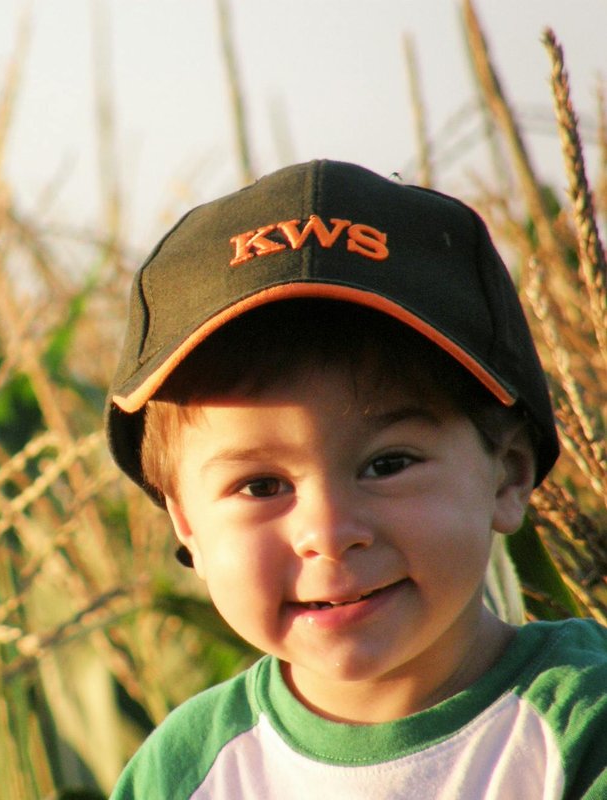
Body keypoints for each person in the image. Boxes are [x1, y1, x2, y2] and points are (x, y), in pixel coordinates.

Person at [105, 160, 607, 798]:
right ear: (186, 524)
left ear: (507, 476)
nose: (330, 534)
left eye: (388, 464)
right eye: (261, 486)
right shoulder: (185, 770)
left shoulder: (583, 727)